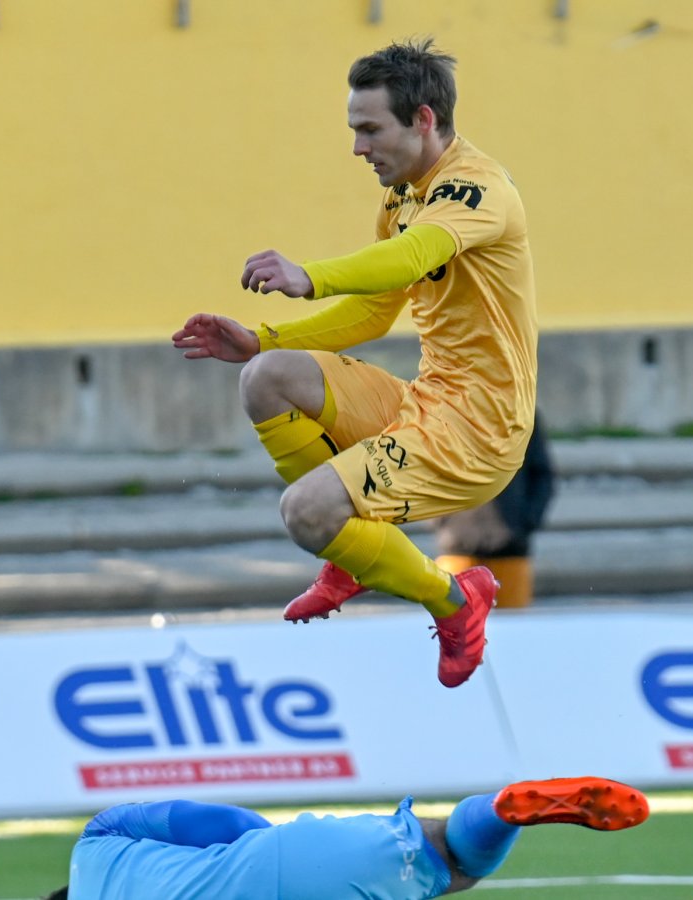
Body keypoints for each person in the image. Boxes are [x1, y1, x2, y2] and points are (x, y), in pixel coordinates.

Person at [172, 38, 538, 688]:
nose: (358, 147)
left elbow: (405, 259)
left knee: (305, 512)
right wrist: (261, 340)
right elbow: (375, 313)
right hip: (428, 403)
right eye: (354, 129)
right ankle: (353, 552)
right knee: (267, 379)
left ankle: (452, 600)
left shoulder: (478, 191)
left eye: (370, 129)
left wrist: (307, 276)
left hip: (478, 435)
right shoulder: (403, 196)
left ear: (423, 120)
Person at [50, 776, 651, 900]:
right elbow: (221, 825)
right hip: (289, 861)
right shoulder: (97, 847)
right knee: (447, 856)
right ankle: (498, 813)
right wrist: (275, 853)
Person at [433, 416, 554, 608]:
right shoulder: (447, 406)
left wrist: (526, 523)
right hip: (457, 545)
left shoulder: (522, 411)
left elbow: (541, 475)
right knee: (452, 629)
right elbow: (429, 467)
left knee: (515, 630)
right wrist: (444, 523)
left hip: (511, 548)